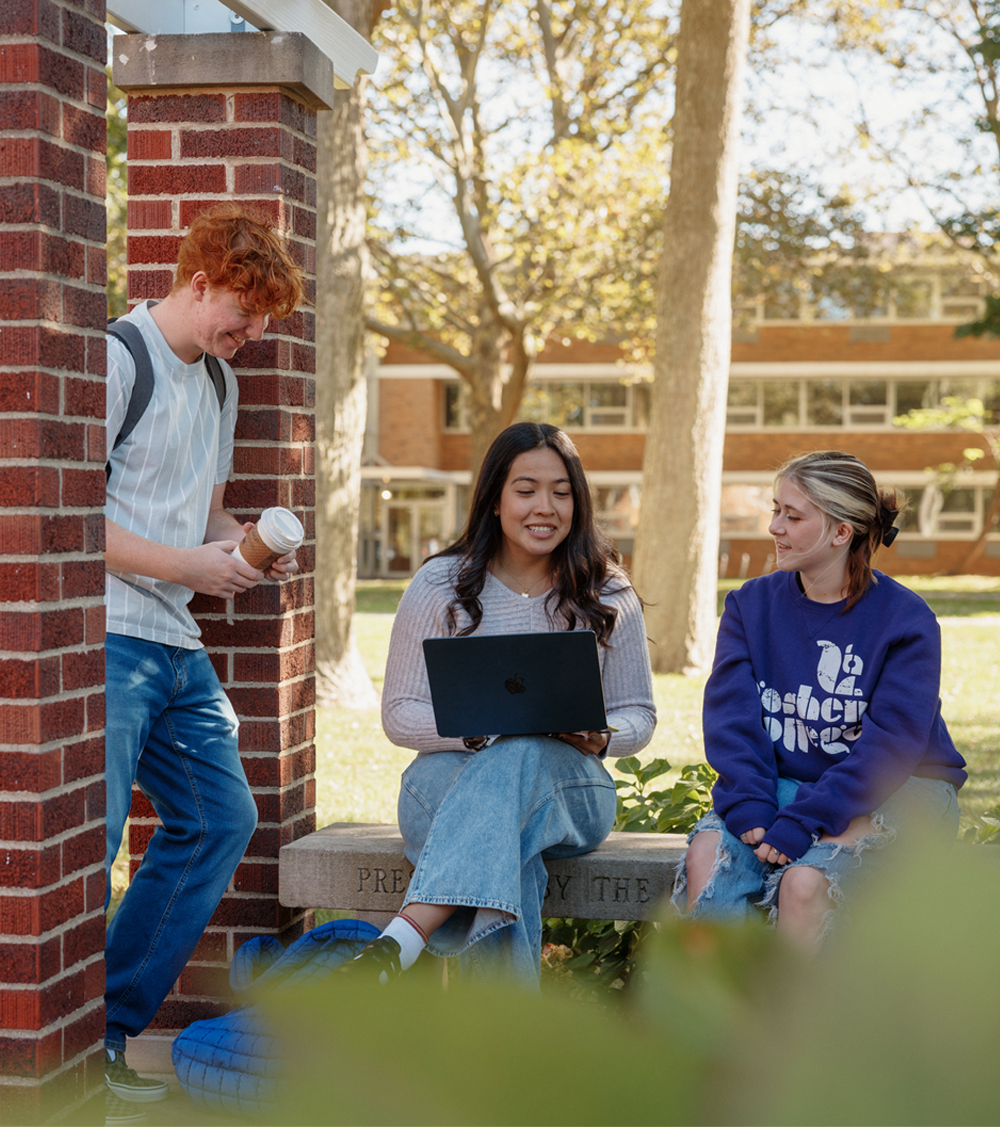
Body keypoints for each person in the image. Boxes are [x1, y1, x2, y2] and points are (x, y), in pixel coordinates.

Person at [102, 204, 303, 1111]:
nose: (251, 334)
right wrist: (186, 563)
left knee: (220, 819)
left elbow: (203, 513)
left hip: (177, 642)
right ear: (199, 283)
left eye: (263, 322)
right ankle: (56, 1041)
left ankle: (104, 1027)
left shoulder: (222, 386)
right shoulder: (119, 359)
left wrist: (249, 541)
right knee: (91, 839)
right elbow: (68, 518)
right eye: (245, 313)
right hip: (109, 635)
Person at [351, 421, 656, 984]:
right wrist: (484, 732)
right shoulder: (440, 584)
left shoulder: (607, 591)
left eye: (562, 492)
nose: (546, 506)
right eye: (526, 489)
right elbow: (400, 712)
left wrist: (603, 734)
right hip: (444, 786)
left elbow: (640, 712)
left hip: (568, 792)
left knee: (524, 757)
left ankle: (405, 937)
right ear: (493, 499)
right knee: (509, 827)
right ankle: (504, 1058)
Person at [673, 450, 967, 948]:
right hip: (792, 785)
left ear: (840, 532)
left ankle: (799, 1024)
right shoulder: (751, 605)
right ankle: (717, 1018)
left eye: (792, 515)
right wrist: (748, 802)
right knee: (708, 855)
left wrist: (804, 821)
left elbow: (890, 748)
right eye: (775, 510)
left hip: (903, 788)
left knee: (804, 883)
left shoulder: (905, 621)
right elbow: (732, 719)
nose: (774, 527)